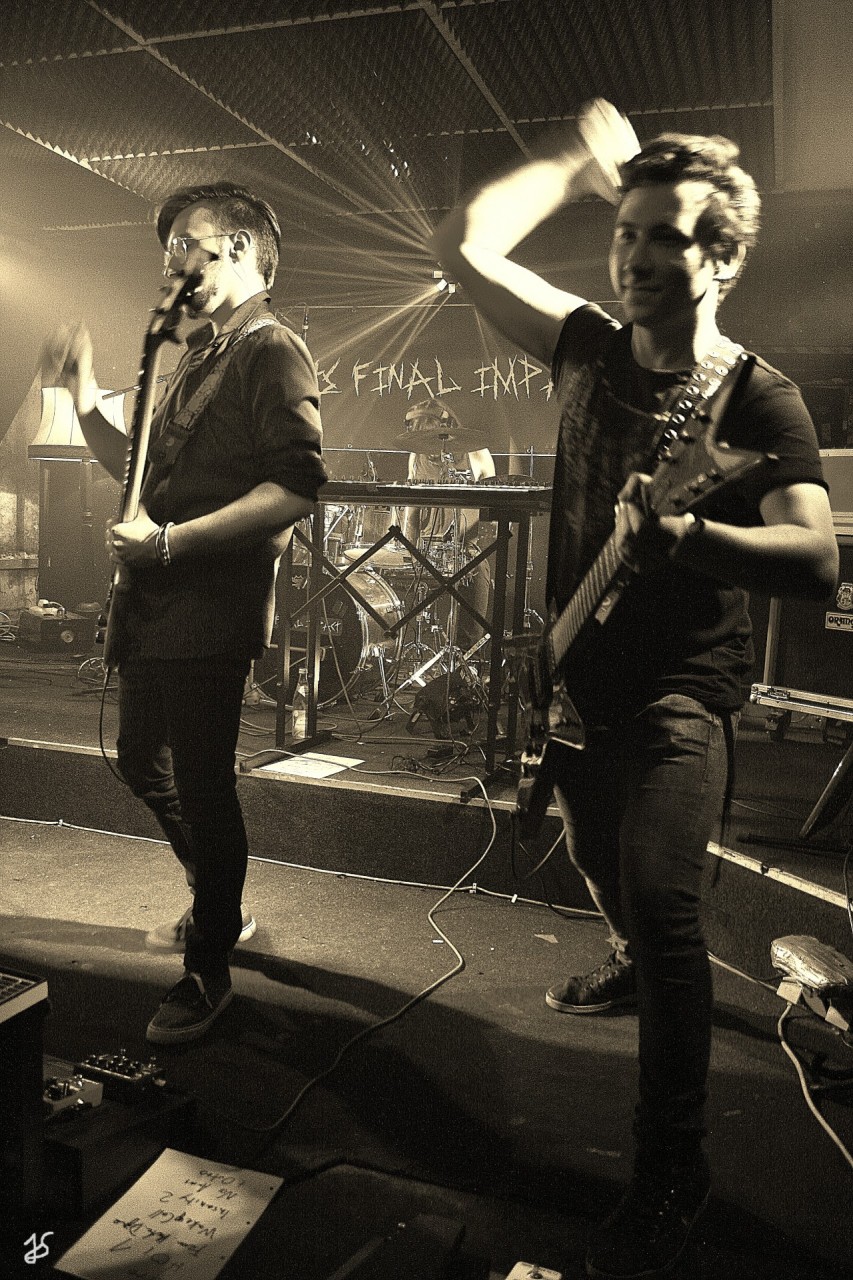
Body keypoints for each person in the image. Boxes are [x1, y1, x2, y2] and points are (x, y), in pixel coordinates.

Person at [430, 100, 838, 1278]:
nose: (637, 256)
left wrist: (691, 539)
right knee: (599, 863)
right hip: (575, 675)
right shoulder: (585, 346)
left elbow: (816, 558)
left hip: (678, 695)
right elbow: (461, 244)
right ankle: (621, 948)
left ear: (722, 257)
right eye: (626, 233)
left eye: (667, 236)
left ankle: (673, 1165)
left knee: (664, 904)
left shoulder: (756, 399)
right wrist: (571, 164)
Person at [44, 181, 326, 1046]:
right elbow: (139, 470)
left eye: (186, 245)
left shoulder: (272, 348)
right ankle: (218, 901)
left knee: (202, 784)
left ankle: (209, 967)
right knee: (141, 759)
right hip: (159, 605)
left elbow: (295, 487)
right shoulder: (202, 354)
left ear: (238, 246)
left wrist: (169, 545)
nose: (171, 264)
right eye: (167, 250)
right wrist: (85, 399)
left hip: (208, 605)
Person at [400, 397, 495, 653]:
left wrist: (475, 544)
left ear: (446, 427)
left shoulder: (477, 453)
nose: (427, 446)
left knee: (477, 590)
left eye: (429, 435)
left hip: (466, 551)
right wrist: (411, 554)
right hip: (427, 552)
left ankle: (467, 660)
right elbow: (411, 514)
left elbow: (493, 513)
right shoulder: (416, 457)